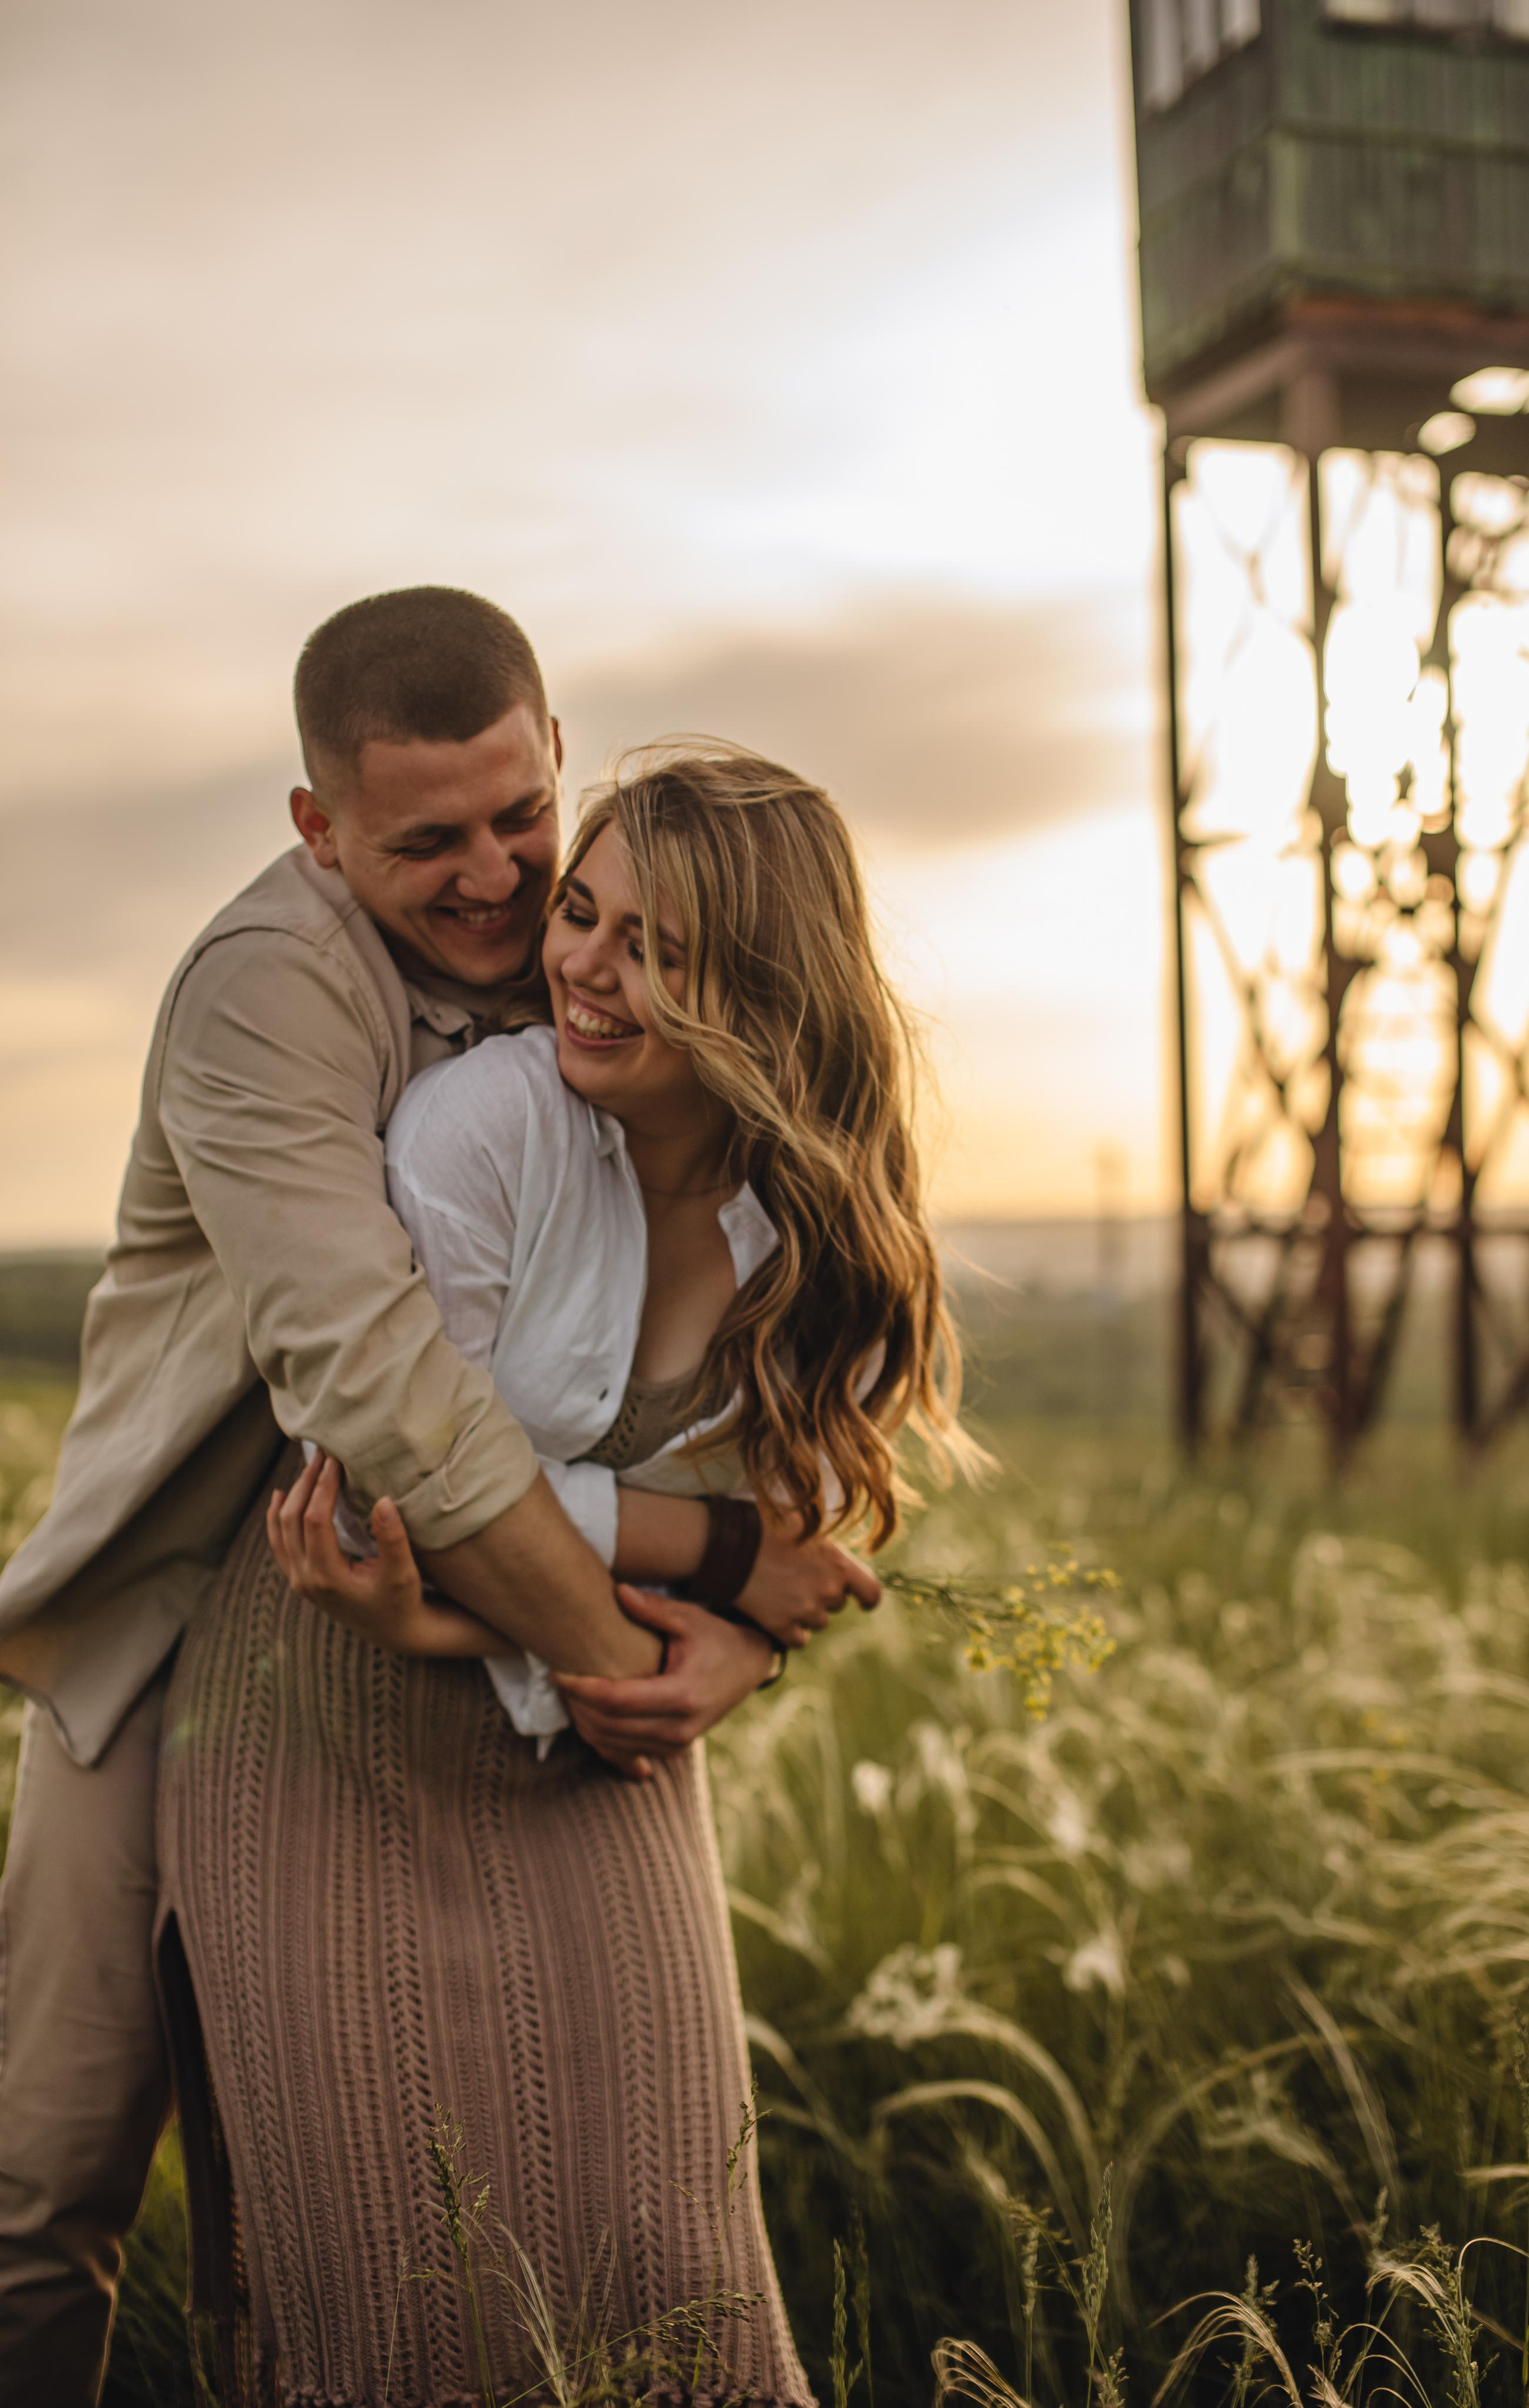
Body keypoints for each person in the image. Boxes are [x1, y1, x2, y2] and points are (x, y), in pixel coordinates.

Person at [0, 592, 858, 2400]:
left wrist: (742, 1652)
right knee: (54, 2170)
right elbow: (387, 1400)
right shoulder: (273, 990)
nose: (495, 882)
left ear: (556, 755)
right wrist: (644, 1643)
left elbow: (796, 1418)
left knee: (573, 2198)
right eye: (424, 843)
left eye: (516, 822)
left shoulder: (599, 985)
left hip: (453, 1617)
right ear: (317, 829)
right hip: (184, 1617)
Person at [157, 743, 975, 2404]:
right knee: (395, 2285)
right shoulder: (485, 1128)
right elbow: (403, 1478)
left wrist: (740, 1652)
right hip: (328, 1713)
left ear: (759, 988)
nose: (583, 971)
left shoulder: (820, 1225)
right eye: (583, 913)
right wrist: (703, 1554)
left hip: (601, 1743)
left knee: (674, 2264)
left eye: (653, 949)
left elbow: (809, 1548)